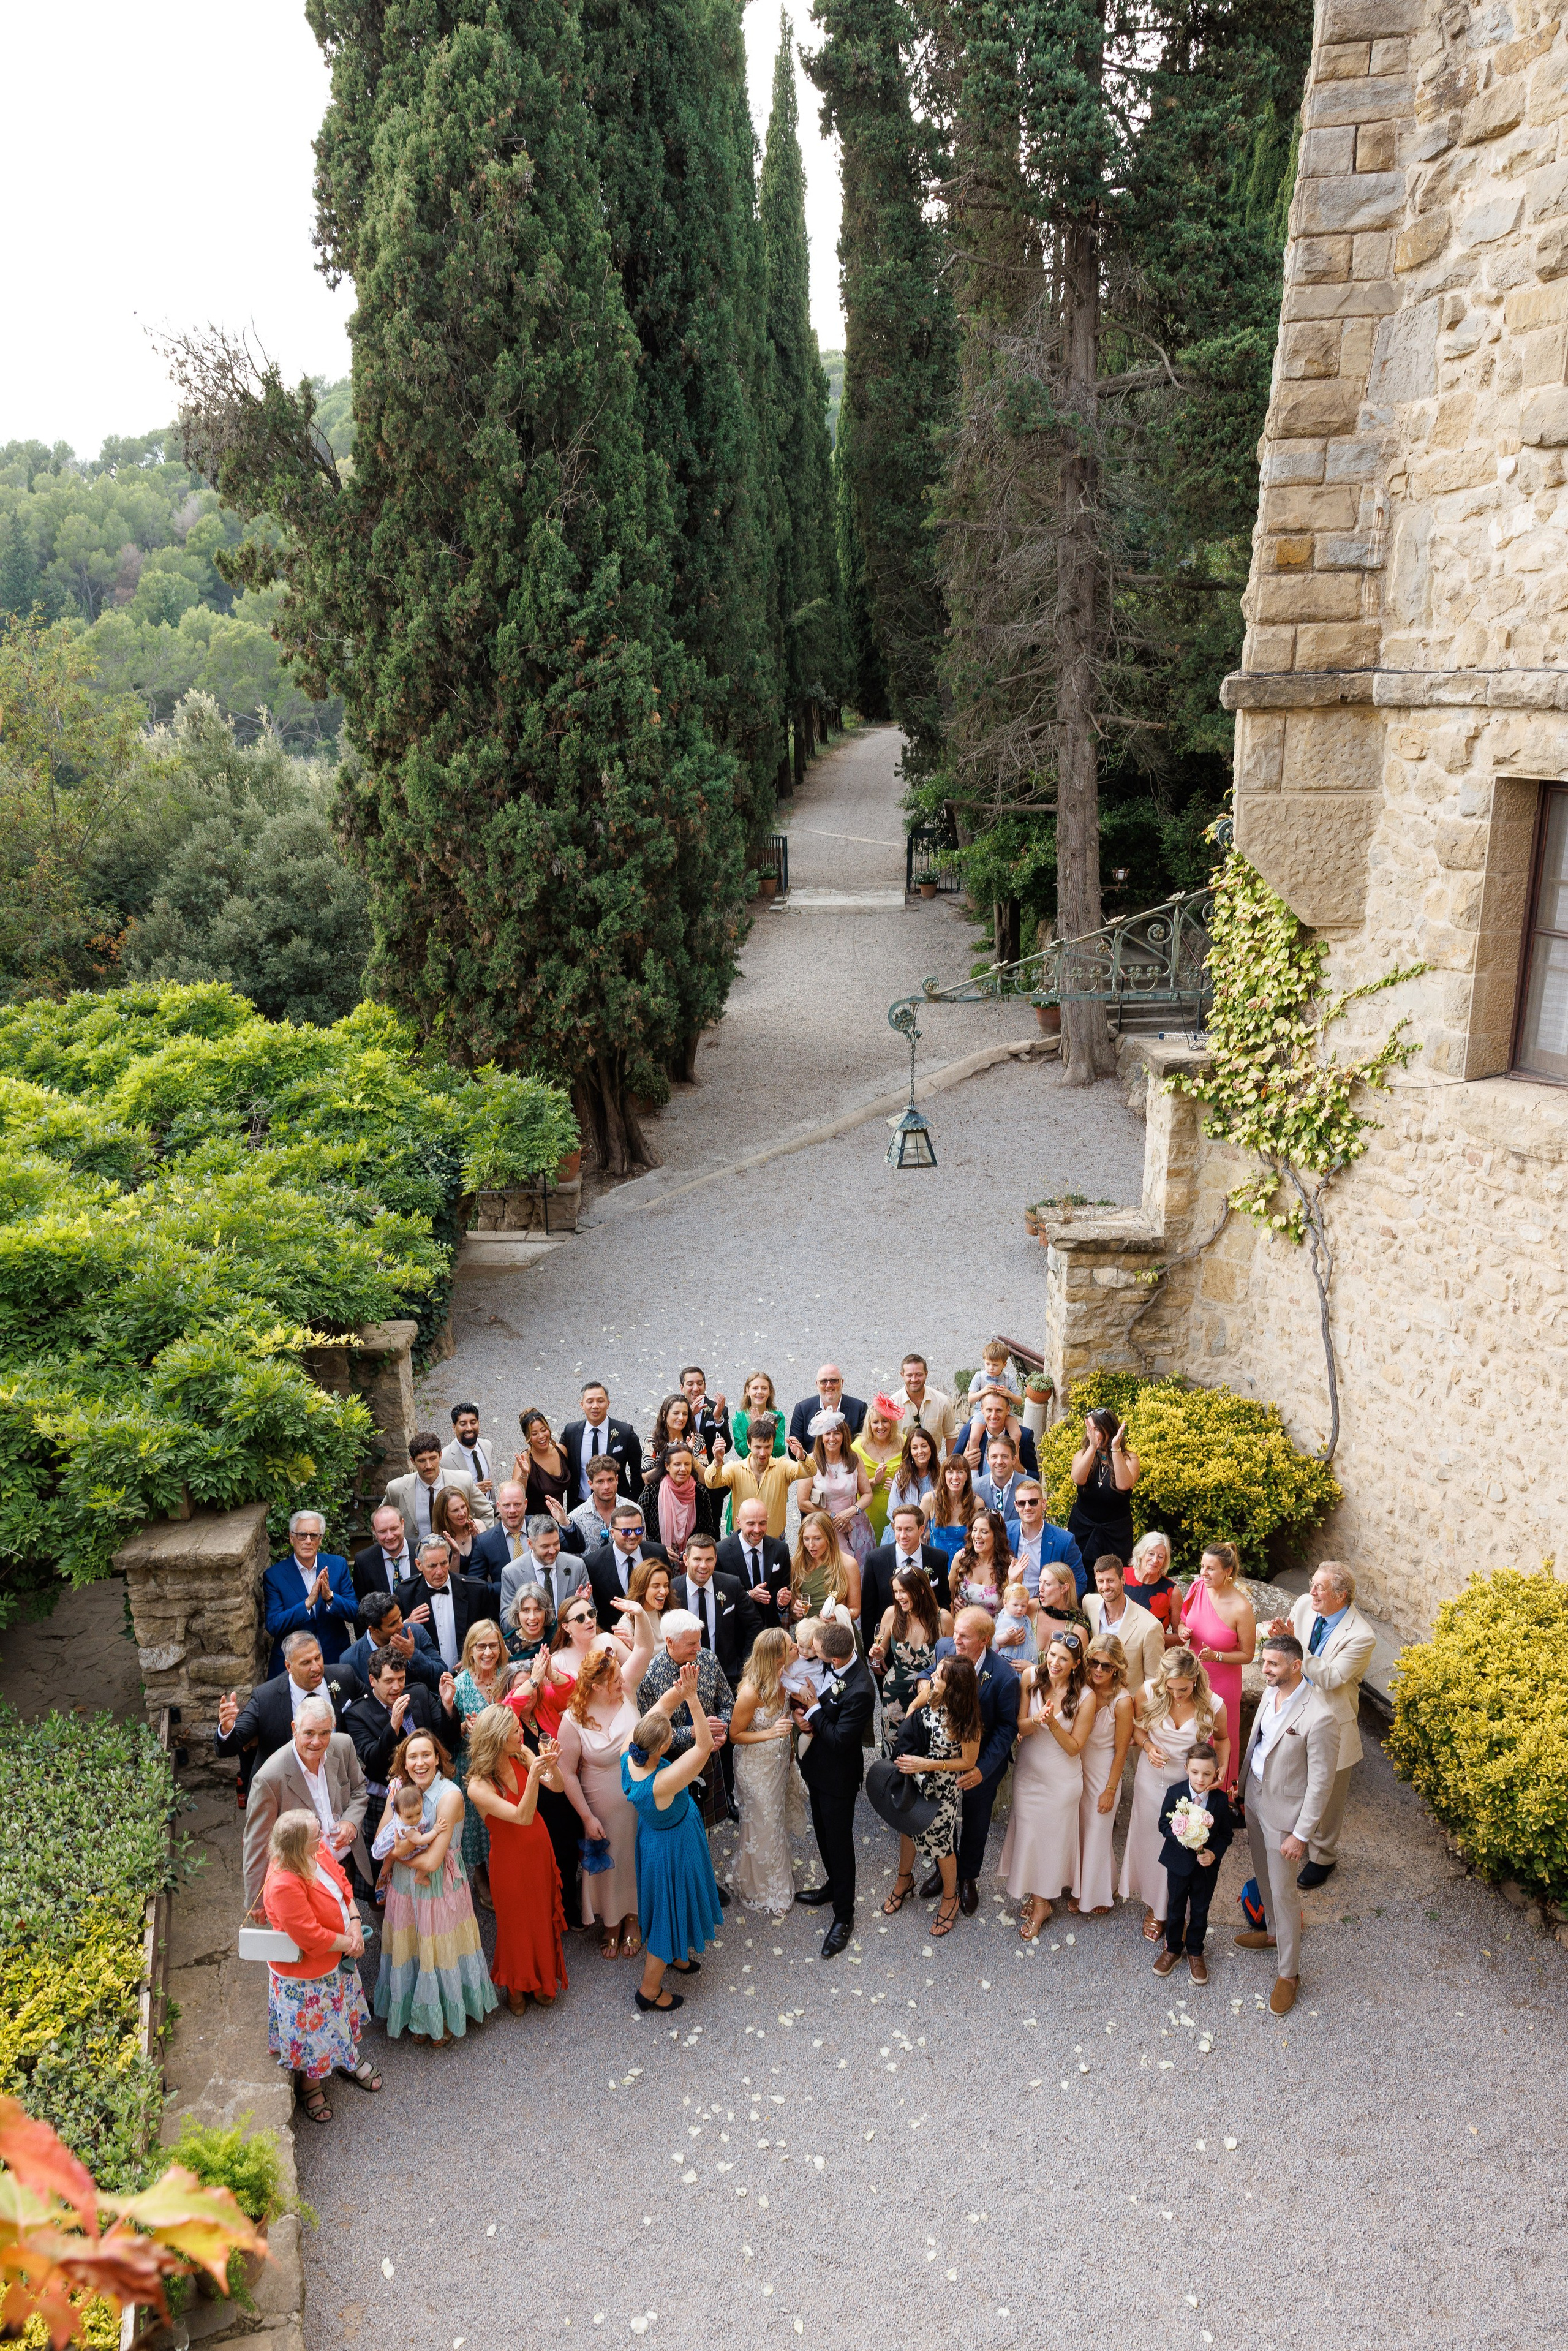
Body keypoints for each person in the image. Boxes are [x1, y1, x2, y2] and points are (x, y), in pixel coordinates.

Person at [1234, 1635, 1338, 2014]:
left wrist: (1301, 1834)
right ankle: (1273, 1933)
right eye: (1264, 1662)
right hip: (1257, 1796)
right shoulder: (1269, 1693)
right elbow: (1258, 1745)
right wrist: (1244, 1787)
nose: (1265, 1670)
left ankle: (1289, 1973)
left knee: (1283, 1892)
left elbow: (1321, 1783)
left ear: (1297, 1666)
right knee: (1263, 1878)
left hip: (1286, 1817)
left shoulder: (1320, 1715)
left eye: (1273, 1664)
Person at [373, 1727, 496, 2042]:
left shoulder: (450, 1796)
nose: (419, 1762)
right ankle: (417, 2011)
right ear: (404, 1762)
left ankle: (439, 2014)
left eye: (426, 1754)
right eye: (412, 1756)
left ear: (439, 1758)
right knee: (413, 1946)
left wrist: (397, 1855)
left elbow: (431, 1863)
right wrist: (395, 1850)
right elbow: (378, 1843)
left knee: (438, 1949)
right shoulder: (400, 1793)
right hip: (405, 1888)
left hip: (440, 1885)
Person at [261, 1809, 376, 2125]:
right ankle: (311, 2085)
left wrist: (354, 1920)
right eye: (316, 1837)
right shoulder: (284, 1883)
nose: (323, 1840)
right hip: (309, 1977)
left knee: (337, 2018)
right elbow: (310, 1936)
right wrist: (351, 1943)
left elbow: (341, 1882)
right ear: (298, 1847)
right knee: (316, 2031)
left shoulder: (316, 1849)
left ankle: (344, 2058)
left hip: (334, 1960)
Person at [622, 1662, 725, 2012]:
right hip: (673, 1847)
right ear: (664, 1747)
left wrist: (681, 1689)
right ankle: (649, 1990)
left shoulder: (630, 1750)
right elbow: (703, 1746)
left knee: (673, 1904)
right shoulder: (662, 1782)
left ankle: (678, 1954)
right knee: (668, 1914)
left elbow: (660, 1710)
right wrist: (694, 1699)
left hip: (655, 1838)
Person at [1268, 1560, 1376, 1887]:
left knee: (1328, 1791)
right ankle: (1292, 1833)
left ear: (1341, 1596)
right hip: (1295, 1707)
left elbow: (1332, 1678)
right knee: (1291, 1773)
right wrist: (1278, 1639)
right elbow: (1288, 1649)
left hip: (1331, 1719)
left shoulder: (1362, 1636)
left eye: (1320, 1587)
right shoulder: (1304, 1604)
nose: (1311, 1592)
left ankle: (1324, 1856)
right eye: (1312, 1583)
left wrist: (1294, 1647)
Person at [554, 1611, 655, 1958]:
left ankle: (634, 1919)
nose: (621, 1685)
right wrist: (586, 1817)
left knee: (636, 1855)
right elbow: (567, 1772)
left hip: (640, 1796)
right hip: (600, 1800)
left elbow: (645, 1646)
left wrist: (639, 1614)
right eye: (613, 1682)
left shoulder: (625, 1689)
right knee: (611, 1857)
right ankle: (611, 1922)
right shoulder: (573, 1719)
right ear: (595, 1686)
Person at [511, 1592, 614, 1909]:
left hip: (558, 1790)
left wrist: (549, 1679)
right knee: (539, 1856)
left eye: (533, 1686)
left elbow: (569, 1692)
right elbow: (506, 1706)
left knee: (567, 1849)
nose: (529, 1692)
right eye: (521, 1687)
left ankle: (568, 1905)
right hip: (529, 1796)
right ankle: (544, 1906)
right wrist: (532, 1681)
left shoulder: (543, 1705)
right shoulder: (508, 1718)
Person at [465, 1705, 568, 2012]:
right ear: (498, 1738)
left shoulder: (521, 1753)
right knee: (514, 1925)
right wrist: (535, 1774)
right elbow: (522, 1816)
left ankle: (542, 1981)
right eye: (514, 1730)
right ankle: (516, 1984)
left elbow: (559, 1787)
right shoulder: (478, 1787)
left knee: (539, 1917)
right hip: (509, 1860)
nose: (522, 1731)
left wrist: (552, 1765)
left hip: (539, 1849)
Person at [1119, 1649, 1228, 1939]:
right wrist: (1147, 1746)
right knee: (1151, 1842)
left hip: (1187, 1787)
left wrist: (1223, 1766)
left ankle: (1178, 1908)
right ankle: (1156, 1906)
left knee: (1182, 1847)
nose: (1176, 1694)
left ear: (1195, 1679)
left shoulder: (1213, 1705)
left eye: (1183, 1688)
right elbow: (1136, 1727)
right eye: (1170, 1687)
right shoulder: (1148, 1692)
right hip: (1150, 1780)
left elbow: (1223, 1739)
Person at [925, 1607, 1020, 1914]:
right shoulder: (944, 1648)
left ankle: (967, 1878)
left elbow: (1007, 1728)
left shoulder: (1004, 1677)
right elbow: (927, 1674)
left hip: (982, 1766)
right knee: (943, 1815)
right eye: (955, 1633)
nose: (956, 1641)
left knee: (977, 1822)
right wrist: (922, 1684)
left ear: (985, 1640)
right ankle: (944, 1870)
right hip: (944, 1758)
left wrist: (981, 1769)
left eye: (964, 1636)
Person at [1003, 1631, 1096, 1938]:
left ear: (1076, 1664)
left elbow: (1075, 1747)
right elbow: (1019, 1727)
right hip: (1029, 1774)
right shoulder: (1030, 1676)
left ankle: (1042, 1902)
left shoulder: (1085, 1696)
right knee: (1030, 1835)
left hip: (1061, 1780)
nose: (1055, 1663)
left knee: (1050, 1840)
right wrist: (1037, 1721)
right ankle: (1039, 1895)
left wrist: (1053, 1723)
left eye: (1064, 1659)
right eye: (1052, 1655)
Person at [882, 1655, 982, 1938]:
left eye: (939, 1676)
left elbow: (968, 1762)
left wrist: (928, 1765)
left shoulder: (968, 1720)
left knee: (941, 1845)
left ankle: (950, 1898)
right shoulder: (933, 1692)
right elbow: (915, 1705)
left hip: (942, 1787)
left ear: (955, 1688)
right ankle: (905, 1880)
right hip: (916, 1774)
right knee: (907, 1829)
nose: (932, 1678)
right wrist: (911, 1720)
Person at [791, 1620, 875, 1955]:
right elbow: (821, 1709)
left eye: (819, 1655)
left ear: (837, 1660)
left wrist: (813, 1708)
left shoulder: (862, 1689)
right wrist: (805, 1718)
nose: (814, 1657)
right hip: (817, 1769)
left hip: (839, 1778)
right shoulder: (835, 1662)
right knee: (823, 1835)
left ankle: (844, 1915)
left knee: (840, 1844)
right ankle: (832, 1885)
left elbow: (841, 1740)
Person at [241, 1696, 369, 1915]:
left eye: (324, 1733)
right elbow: (257, 1841)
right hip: (304, 1875)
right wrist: (257, 1899)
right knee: (315, 1940)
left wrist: (351, 1822)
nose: (317, 1742)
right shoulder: (269, 1778)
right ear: (295, 1729)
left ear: (333, 1728)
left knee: (348, 1926)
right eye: (309, 1733)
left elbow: (359, 1789)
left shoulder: (343, 1745)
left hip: (346, 1864)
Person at [342, 1649, 459, 1868]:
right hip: (390, 1799)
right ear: (372, 1680)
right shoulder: (357, 1713)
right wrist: (393, 1725)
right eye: (389, 1681)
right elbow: (372, 1762)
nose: (397, 1687)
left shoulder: (420, 1693)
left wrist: (448, 1705)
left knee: (437, 1855)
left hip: (431, 1790)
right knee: (387, 1864)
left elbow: (448, 1740)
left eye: (401, 1679)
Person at [215, 1633, 363, 1800]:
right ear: (288, 1666)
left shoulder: (343, 1677)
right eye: (306, 1663)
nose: (316, 1667)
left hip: (337, 1783)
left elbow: (370, 1705)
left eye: (318, 1658)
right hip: (286, 1790)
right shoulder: (266, 1698)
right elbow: (231, 1745)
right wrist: (227, 1729)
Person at [729, 1628, 809, 1914]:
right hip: (755, 1767)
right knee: (764, 1823)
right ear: (777, 1658)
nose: (797, 1649)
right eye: (791, 1648)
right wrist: (772, 1733)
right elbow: (735, 1735)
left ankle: (770, 1876)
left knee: (776, 1820)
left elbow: (787, 1716)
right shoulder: (751, 1692)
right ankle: (759, 1887)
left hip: (778, 1762)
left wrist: (790, 1744)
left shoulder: (784, 1679)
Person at [1178, 1542, 1256, 1792]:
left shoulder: (1241, 1608)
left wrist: (1218, 1656)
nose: (1203, 1573)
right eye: (1202, 1566)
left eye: (1211, 1569)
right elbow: (1182, 1619)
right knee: (1192, 1733)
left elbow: (1248, 1654)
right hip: (1192, 1677)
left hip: (1223, 1683)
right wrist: (1183, 1631)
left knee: (1219, 1737)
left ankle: (1221, 1795)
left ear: (1229, 1571)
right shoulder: (1198, 1587)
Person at [1155, 1741, 1234, 1983]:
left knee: (1200, 1909)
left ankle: (1196, 1951)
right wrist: (1181, 1833)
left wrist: (1214, 1854)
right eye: (1196, 1772)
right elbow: (1163, 1825)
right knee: (1175, 1907)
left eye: (1208, 1774)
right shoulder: (1175, 1793)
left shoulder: (1220, 1801)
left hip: (1205, 1869)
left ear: (1216, 1772)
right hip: (1178, 1864)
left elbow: (1226, 1835)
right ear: (1187, 1768)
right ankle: (1173, 1949)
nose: (1201, 1779)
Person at [451, 1620, 511, 1908]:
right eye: (481, 1646)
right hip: (471, 1766)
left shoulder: (508, 1676)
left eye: (493, 1645)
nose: (488, 1652)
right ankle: (479, 1874)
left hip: (506, 1763)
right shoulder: (460, 1685)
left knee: (505, 1822)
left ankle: (506, 1870)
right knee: (476, 1824)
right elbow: (449, 1732)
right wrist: (463, 1726)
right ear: (470, 1650)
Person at [1076, 1634, 1134, 1913]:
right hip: (1075, 1767)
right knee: (1079, 1830)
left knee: (1098, 1832)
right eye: (1094, 1662)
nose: (1099, 1670)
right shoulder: (1080, 1687)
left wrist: (1110, 1790)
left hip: (1103, 1772)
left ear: (1117, 1669)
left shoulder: (1122, 1702)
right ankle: (1080, 1885)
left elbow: (1121, 1751)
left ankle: (1099, 1891)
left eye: (1107, 1666)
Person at [262, 1511, 358, 1675]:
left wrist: (330, 1598)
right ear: (291, 1538)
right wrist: (307, 1604)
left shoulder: (337, 1565)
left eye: (314, 1535)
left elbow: (355, 1612)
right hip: (293, 1665)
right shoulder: (274, 1576)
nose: (308, 1541)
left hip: (334, 1659)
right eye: (302, 1535)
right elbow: (274, 1625)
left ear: (320, 1539)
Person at [870, 1566, 950, 1744]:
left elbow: (951, 1663)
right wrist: (878, 1653)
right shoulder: (892, 1614)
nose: (899, 1597)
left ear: (921, 1590)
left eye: (904, 1591)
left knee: (924, 1745)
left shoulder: (943, 1619)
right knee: (893, 1744)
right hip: (894, 1694)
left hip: (928, 1693)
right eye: (896, 1591)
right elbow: (881, 1651)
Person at [704, 1413, 814, 1539]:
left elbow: (810, 1472)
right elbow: (711, 1483)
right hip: (742, 1542)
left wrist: (802, 1457)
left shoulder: (783, 1467)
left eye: (768, 1447)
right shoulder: (735, 1468)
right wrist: (717, 1462)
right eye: (758, 1447)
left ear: (773, 1445)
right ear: (749, 1444)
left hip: (774, 1542)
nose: (763, 1453)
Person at [861, 1505, 951, 1653]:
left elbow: (944, 1601)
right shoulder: (876, 1559)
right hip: (889, 1648)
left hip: (930, 1647)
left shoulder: (938, 1558)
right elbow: (868, 1610)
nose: (903, 1535)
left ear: (921, 1530)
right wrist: (874, 1652)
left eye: (909, 1529)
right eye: (898, 1529)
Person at [674, 1530, 760, 1687]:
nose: (703, 1566)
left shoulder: (731, 1585)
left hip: (728, 1677)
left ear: (716, 1560)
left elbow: (754, 1625)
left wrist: (745, 1666)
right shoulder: (673, 1591)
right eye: (697, 1559)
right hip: (684, 1679)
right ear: (686, 1560)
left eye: (709, 1560)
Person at [396, 1539, 494, 1674]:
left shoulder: (475, 1590)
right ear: (419, 1565)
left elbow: (494, 1632)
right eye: (432, 1566)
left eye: (444, 1563)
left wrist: (474, 1658)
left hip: (471, 1674)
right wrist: (407, 1624)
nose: (440, 1572)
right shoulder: (406, 1594)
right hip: (427, 1681)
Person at [384, 1431, 486, 1550]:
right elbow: (380, 1522)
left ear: (441, 1455)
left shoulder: (463, 1481)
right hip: (415, 1559)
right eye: (422, 1461)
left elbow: (486, 1512)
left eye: (433, 1458)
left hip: (457, 1555)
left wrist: (480, 1546)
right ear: (412, 1461)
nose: (428, 1466)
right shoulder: (397, 1489)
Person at [1066, 1408, 1139, 1569]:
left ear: (1110, 1430)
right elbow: (1078, 1479)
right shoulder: (1082, 1454)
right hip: (1083, 1528)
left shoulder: (1129, 1458)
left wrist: (1115, 1449)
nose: (1091, 1434)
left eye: (1097, 1429)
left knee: (1113, 1576)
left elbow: (1124, 1485)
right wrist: (1093, 1448)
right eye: (1089, 1429)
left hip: (1115, 1533)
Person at [799, 1412, 875, 1568]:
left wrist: (851, 1512)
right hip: (826, 1528)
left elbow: (867, 1495)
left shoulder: (854, 1458)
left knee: (859, 1574)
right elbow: (802, 1502)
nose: (832, 1439)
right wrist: (834, 1517)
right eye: (828, 1434)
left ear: (844, 1436)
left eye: (837, 1433)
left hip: (855, 1525)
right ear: (821, 1436)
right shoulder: (811, 1461)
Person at [341, 1590, 448, 1695]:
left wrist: (413, 1655)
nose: (402, 1625)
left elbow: (442, 1675)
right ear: (373, 1629)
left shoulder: (416, 1632)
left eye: (400, 1618)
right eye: (393, 1624)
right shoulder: (351, 1660)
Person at [1085, 1554, 1164, 1692]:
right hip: (1093, 1699)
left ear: (1123, 1579)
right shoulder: (1089, 1603)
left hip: (1128, 1703)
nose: (1105, 1587)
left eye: (1110, 1581)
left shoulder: (1150, 1626)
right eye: (1101, 1581)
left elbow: (1154, 1682)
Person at [562, 1379, 644, 1503]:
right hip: (579, 1504)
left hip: (616, 1505)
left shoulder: (625, 1432)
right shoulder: (571, 1432)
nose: (595, 1406)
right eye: (590, 1401)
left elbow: (637, 1471)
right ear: (582, 1405)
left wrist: (632, 1501)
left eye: (600, 1401)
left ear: (608, 1403)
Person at [586, 1506, 671, 1623]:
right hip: (614, 1634)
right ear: (612, 1533)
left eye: (638, 1530)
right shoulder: (593, 1564)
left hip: (655, 1629)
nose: (633, 1536)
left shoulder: (659, 1553)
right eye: (626, 1531)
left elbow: (669, 1594)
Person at [645, 1440, 720, 1568]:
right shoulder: (652, 1491)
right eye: (677, 1464)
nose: (683, 1469)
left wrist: (691, 1550)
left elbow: (708, 1531)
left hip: (692, 1563)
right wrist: (660, 1550)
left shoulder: (700, 1492)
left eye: (687, 1464)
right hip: (657, 1561)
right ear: (667, 1466)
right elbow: (642, 1530)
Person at [717, 1497, 792, 1623]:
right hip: (736, 1631)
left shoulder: (781, 1550)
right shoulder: (721, 1552)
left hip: (769, 1630)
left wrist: (781, 1602)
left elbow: (783, 1590)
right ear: (738, 1522)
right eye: (751, 1524)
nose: (757, 1530)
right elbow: (719, 1598)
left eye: (762, 1523)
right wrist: (749, 1595)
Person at [507, 1516, 593, 1625]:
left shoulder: (577, 1566)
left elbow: (592, 1612)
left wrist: (579, 1606)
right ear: (530, 1544)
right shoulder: (511, 1573)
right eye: (545, 1546)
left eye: (556, 1544)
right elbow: (506, 1623)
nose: (552, 1551)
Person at [786, 1510, 861, 1629]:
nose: (811, 1545)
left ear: (829, 1538)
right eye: (806, 1539)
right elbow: (793, 1613)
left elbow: (855, 1610)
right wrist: (796, 1609)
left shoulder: (849, 1564)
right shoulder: (796, 1564)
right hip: (808, 1636)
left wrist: (838, 1616)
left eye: (817, 1539)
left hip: (838, 1634)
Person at [1010, 1482, 1085, 1599]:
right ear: (1016, 1506)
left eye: (1033, 1502)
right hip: (1010, 1605)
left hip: (1047, 1609)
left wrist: (1053, 1605)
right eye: (1021, 1503)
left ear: (1044, 1504)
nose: (1027, 1507)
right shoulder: (1004, 1532)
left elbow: (1080, 1582)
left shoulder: (1064, 1541)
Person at [851, 1398, 905, 1543]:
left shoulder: (905, 1443)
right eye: (875, 1422)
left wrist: (899, 1485)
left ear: (892, 1423)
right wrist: (874, 1481)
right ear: (869, 1424)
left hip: (898, 1514)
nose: (880, 1426)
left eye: (885, 1421)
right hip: (868, 1512)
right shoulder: (857, 1448)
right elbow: (849, 1487)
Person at [956, 1387, 1039, 1479]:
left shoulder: (1024, 1436)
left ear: (1008, 1410)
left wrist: (1021, 1471)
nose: (993, 1416)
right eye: (989, 1410)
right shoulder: (970, 1431)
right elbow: (949, 1468)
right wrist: (963, 1463)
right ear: (982, 1409)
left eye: (999, 1410)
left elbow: (1035, 1477)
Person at [891, 1353, 960, 1456]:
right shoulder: (892, 1404)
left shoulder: (943, 1402)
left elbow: (951, 1435)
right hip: (901, 1466)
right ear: (902, 1375)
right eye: (909, 1375)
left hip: (932, 1466)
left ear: (926, 1374)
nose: (914, 1379)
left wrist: (949, 1467)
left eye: (919, 1375)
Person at [787, 1364, 868, 1451]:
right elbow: (793, 1452)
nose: (829, 1385)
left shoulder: (859, 1408)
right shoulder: (802, 1410)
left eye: (834, 1380)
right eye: (823, 1381)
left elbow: (866, 1445)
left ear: (842, 1383)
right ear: (817, 1384)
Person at [949, 1508, 1011, 1618]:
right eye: (974, 1530)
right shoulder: (961, 1558)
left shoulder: (1010, 1566)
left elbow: (1014, 1609)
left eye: (984, 1532)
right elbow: (947, 1596)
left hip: (996, 1632)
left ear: (997, 1536)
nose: (977, 1536)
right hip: (962, 1627)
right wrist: (953, 1604)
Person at [568, 1454, 638, 1551]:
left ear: (617, 1480)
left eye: (610, 1480)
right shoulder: (576, 1518)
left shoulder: (635, 1511)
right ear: (591, 1484)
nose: (606, 1487)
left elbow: (641, 1550)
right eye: (600, 1482)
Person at [514, 1408, 574, 1521]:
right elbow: (516, 1495)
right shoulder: (525, 1460)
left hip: (559, 1522)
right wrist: (524, 1473)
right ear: (528, 1438)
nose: (541, 1436)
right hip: (535, 1525)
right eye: (534, 1433)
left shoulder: (561, 1450)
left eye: (544, 1430)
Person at [352, 1504, 414, 1608]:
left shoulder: (422, 1550)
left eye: (394, 1529)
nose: (390, 1536)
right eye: (383, 1531)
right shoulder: (363, 1562)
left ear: (403, 1524)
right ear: (374, 1531)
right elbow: (361, 1610)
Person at [443, 1402, 500, 1514]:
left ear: (478, 1423)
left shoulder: (487, 1446)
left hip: (492, 1516)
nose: (469, 1428)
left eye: (473, 1423)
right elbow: (443, 1500)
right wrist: (471, 1493)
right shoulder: (444, 1459)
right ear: (454, 1427)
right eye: (463, 1424)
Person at [927, 1455, 978, 1576]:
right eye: (950, 1472)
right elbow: (917, 1533)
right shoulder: (930, 1500)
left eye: (960, 1472)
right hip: (935, 1569)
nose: (955, 1477)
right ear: (944, 1476)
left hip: (966, 1570)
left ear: (967, 1477)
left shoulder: (976, 1503)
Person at [974, 1430, 1025, 1542]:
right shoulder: (975, 1488)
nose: (999, 1462)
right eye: (994, 1457)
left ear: (1014, 1460)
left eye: (1005, 1457)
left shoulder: (1028, 1487)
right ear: (987, 1459)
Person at [1127, 1530, 1180, 1634]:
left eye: (1160, 1557)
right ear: (1140, 1554)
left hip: (1155, 1649)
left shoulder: (1172, 1591)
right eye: (1151, 1554)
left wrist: (1152, 1639)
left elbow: (1179, 1638)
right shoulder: (1122, 1577)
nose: (1155, 1560)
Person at [886, 1424, 940, 1526]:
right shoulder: (901, 1477)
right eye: (915, 1448)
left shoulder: (940, 1475)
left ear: (931, 1448)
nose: (920, 1451)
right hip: (901, 1534)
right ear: (910, 1452)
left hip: (930, 1536)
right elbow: (892, 1515)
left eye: (924, 1446)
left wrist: (925, 1537)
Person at [679, 1364, 731, 1462]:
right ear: (682, 1388)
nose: (696, 1388)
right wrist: (690, 1416)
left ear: (705, 1386)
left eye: (700, 1383)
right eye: (690, 1384)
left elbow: (727, 1447)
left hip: (709, 1469)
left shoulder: (718, 1409)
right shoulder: (675, 1411)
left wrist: (717, 1418)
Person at [730, 1371, 786, 1460]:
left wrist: (770, 1430)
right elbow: (742, 1451)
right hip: (748, 1469)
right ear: (748, 1391)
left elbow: (780, 1450)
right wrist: (756, 1428)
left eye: (764, 1388)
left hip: (773, 1468)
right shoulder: (738, 1419)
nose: (760, 1392)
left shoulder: (777, 1417)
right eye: (755, 1388)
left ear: (770, 1391)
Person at [432, 1485, 483, 1579]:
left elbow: (491, 1567)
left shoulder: (479, 1526)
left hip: (483, 1589)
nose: (462, 1513)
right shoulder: (439, 1540)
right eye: (455, 1510)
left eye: (463, 1507)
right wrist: (455, 1554)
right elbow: (448, 1580)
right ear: (445, 1515)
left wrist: (481, 1543)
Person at [502, 1582, 554, 1666]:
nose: (532, 1617)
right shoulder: (506, 1646)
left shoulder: (557, 1633)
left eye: (538, 1609)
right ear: (517, 1614)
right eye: (526, 1610)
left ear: (546, 1612)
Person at [993, 1579, 1036, 1671]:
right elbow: (998, 1639)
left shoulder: (1024, 1618)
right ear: (1005, 1603)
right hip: (1011, 1656)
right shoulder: (1006, 1620)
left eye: (1024, 1606)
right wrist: (1007, 1635)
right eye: (1015, 1605)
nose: (1020, 1609)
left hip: (1024, 1655)